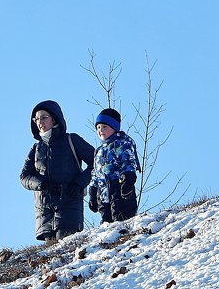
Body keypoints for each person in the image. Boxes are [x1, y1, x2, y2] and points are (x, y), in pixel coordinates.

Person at [20, 100, 95, 244]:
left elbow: (97, 161)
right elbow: (24, 177)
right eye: (36, 119)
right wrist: (42, 184)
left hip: (69, 207)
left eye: (43, 117)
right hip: (44, 213)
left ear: (54, 118)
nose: (39, 122)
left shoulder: (71, 140)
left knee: (69, 252)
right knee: (53, 260)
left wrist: (80, 184)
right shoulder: (35, 149)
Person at [88, 107, 141, 223]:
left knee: (121, 218)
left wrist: (128, 179)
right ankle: (109, 239)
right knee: (106, 222)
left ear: (114, 127)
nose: (100, 130)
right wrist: (92, 190)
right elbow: (95, 172)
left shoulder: (122, 143)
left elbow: (128, 161)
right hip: (103, 192)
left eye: (104, 127)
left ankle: (124, 236)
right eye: (98, 127)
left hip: (119, 187)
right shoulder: (99, 150)